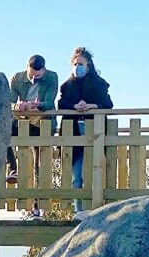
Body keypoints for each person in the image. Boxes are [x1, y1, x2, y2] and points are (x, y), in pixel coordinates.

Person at [56, 46, 113, 203]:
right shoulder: (67, 86)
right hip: (73, 131)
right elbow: (61, 104)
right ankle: (78, 210)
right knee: (77, 175)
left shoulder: (99, 84)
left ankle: (92, 210)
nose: (77, 67)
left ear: (88, 65)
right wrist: (74, 106)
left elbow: (107, 104)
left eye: (81, 64)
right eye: (75, 64)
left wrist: (92, 106)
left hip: (94, 131)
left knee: (92, 173)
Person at [6, 54, 59, 188]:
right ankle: (13, 167)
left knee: (38, 163)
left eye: (38, 76)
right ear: (27, 68)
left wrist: (38, 105)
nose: (34, 78)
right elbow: (9, 102)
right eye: (32, 76)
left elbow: (49, 102)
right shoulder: (17, 78)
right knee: (3, 132)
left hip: (43, 123)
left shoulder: (51, 77)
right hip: (23, 121)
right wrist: (18, 106)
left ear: (44, 70)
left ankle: (37, 203)